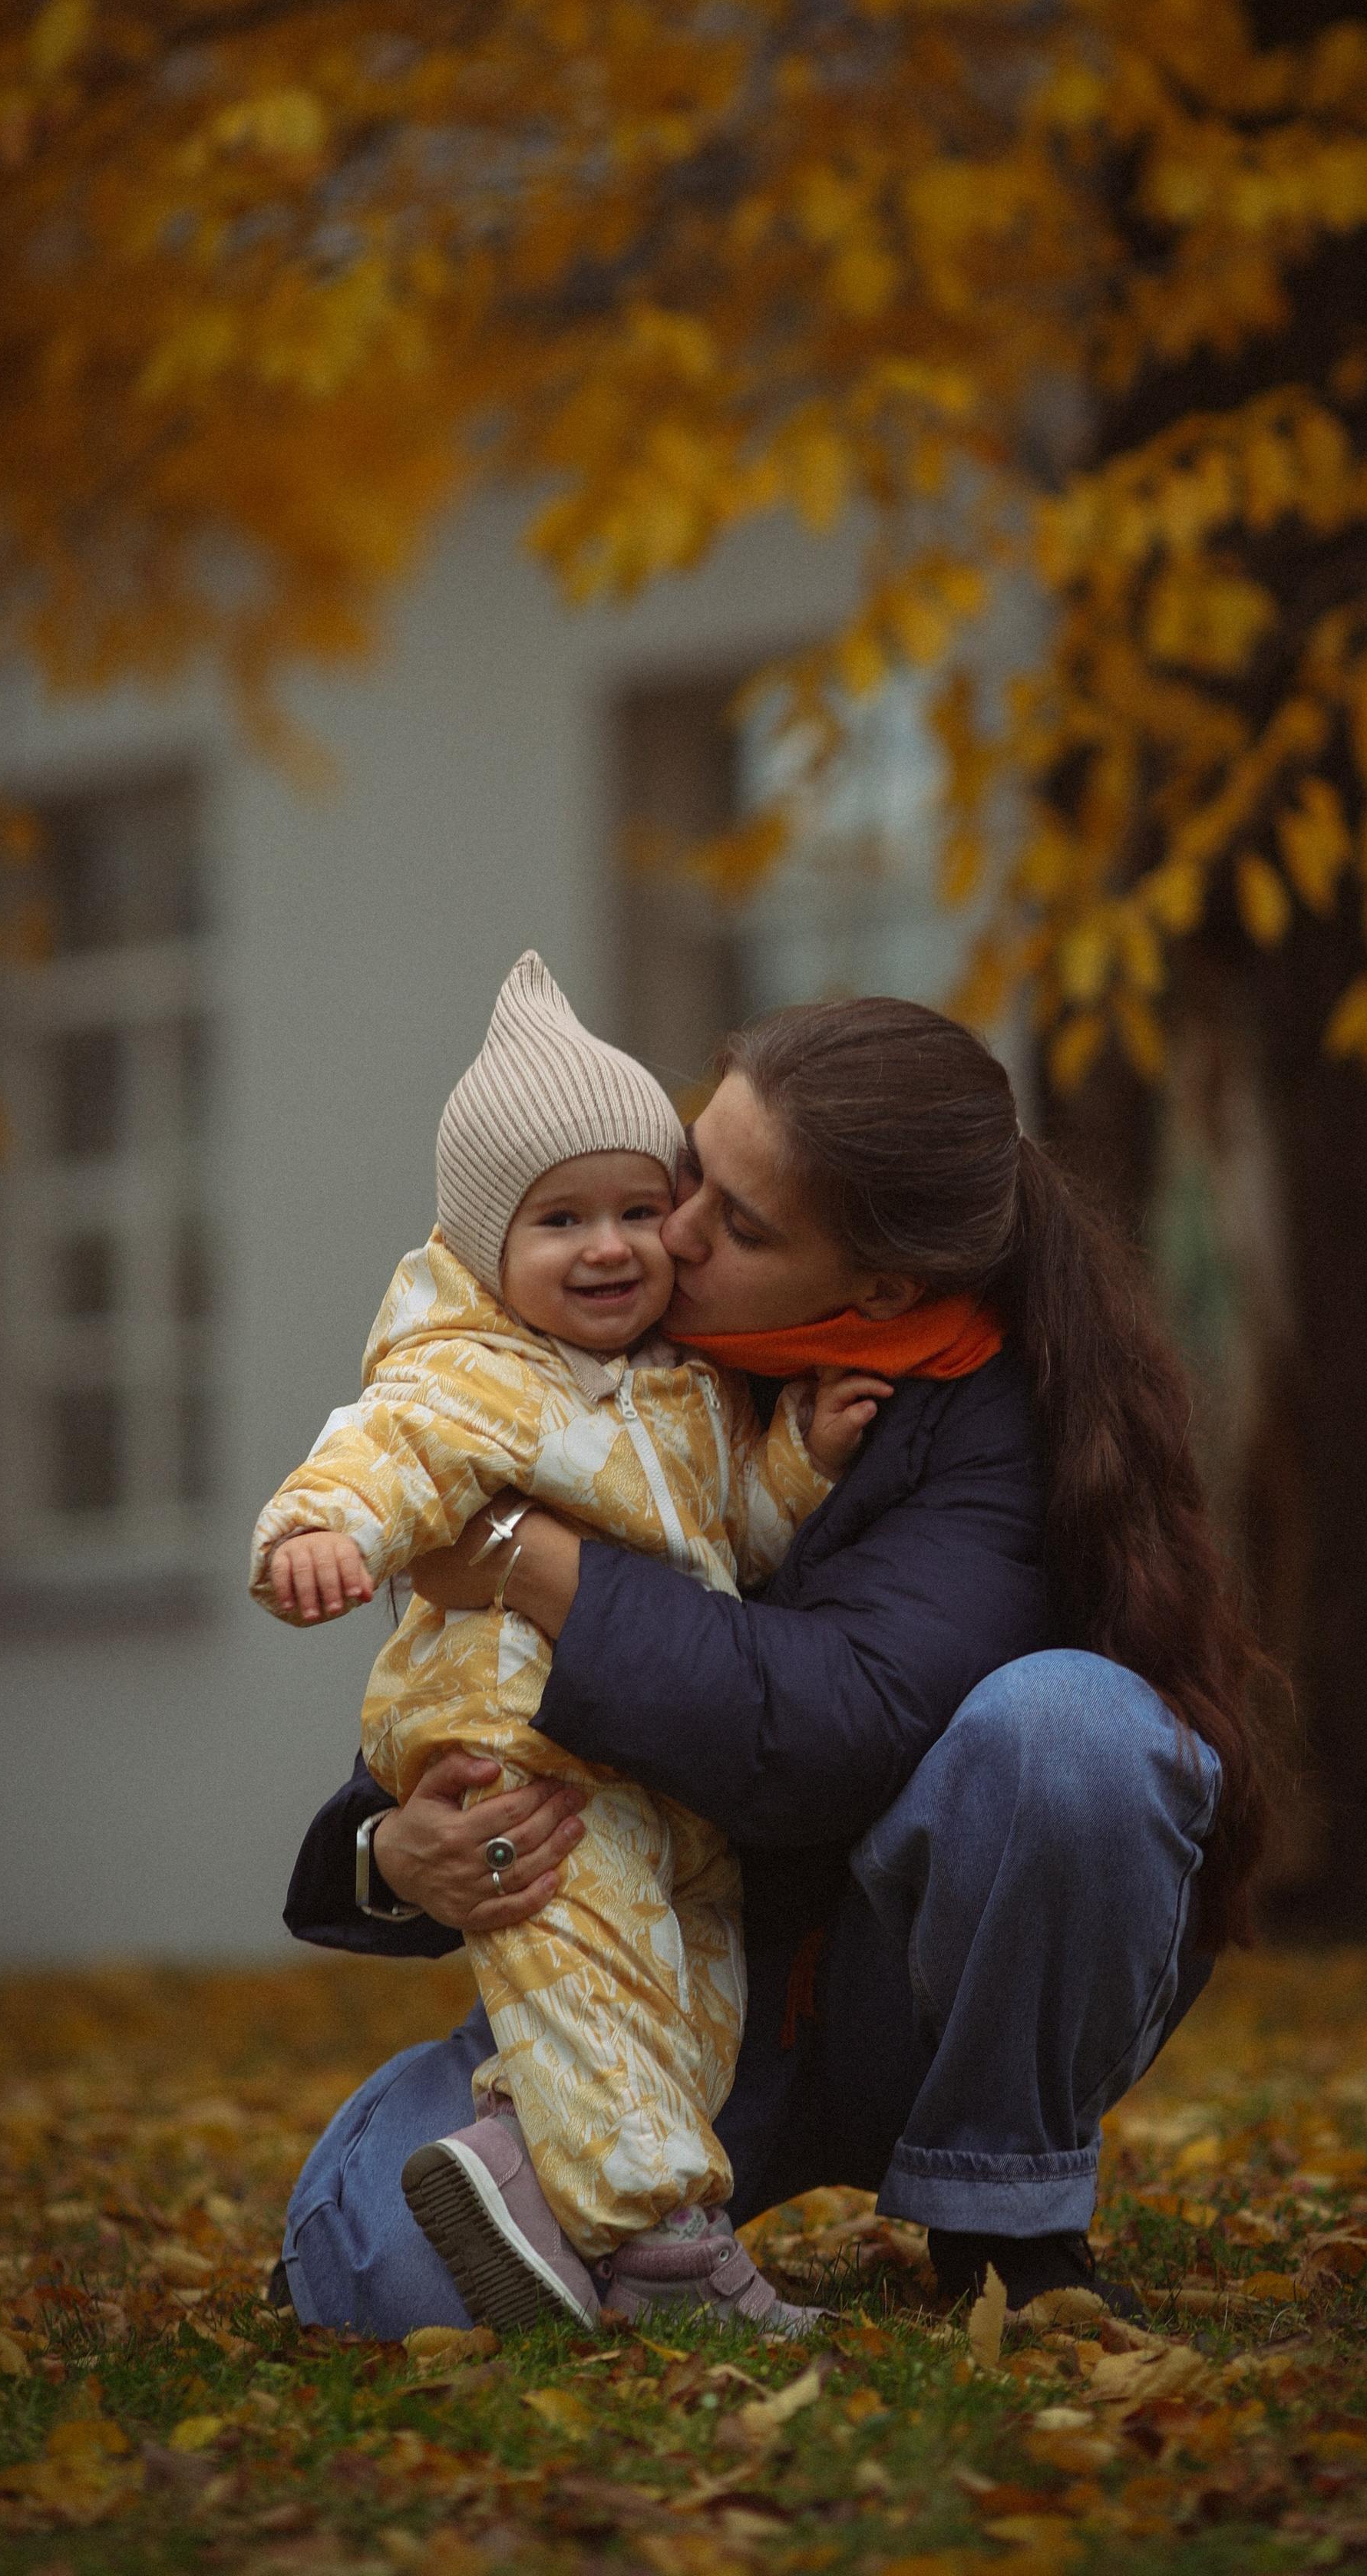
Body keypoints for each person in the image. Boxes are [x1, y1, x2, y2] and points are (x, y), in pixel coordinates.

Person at [275, 994, 1276, 2339]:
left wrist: (540, 1563)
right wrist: (392, 1852)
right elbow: (463, 1682)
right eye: (693, 1168)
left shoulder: (995, 1420)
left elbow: (829, 1724)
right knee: (393, 2276)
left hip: (902, 2001)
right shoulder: (596, 1345)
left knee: (1075, 1733)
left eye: (737, 1223)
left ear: (881, 1292)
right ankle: (563, 2200)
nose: (666, 1231)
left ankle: (1004, 2222)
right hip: (658, 1994)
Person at [252, 952, 884, 2331]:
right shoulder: (468, 1375)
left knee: (686, 2001)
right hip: (533, 1752)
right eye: (561, 1220)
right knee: (585, 1973)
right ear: (491, 1249)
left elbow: (729, 1532)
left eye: (639, 1210)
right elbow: (381, 1457)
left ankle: (521, 2175)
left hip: (674, 1789)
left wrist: (804, 1467)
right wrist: (323, 1533)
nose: (610, 1245)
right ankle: (662, 2246)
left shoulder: (683, 1390)